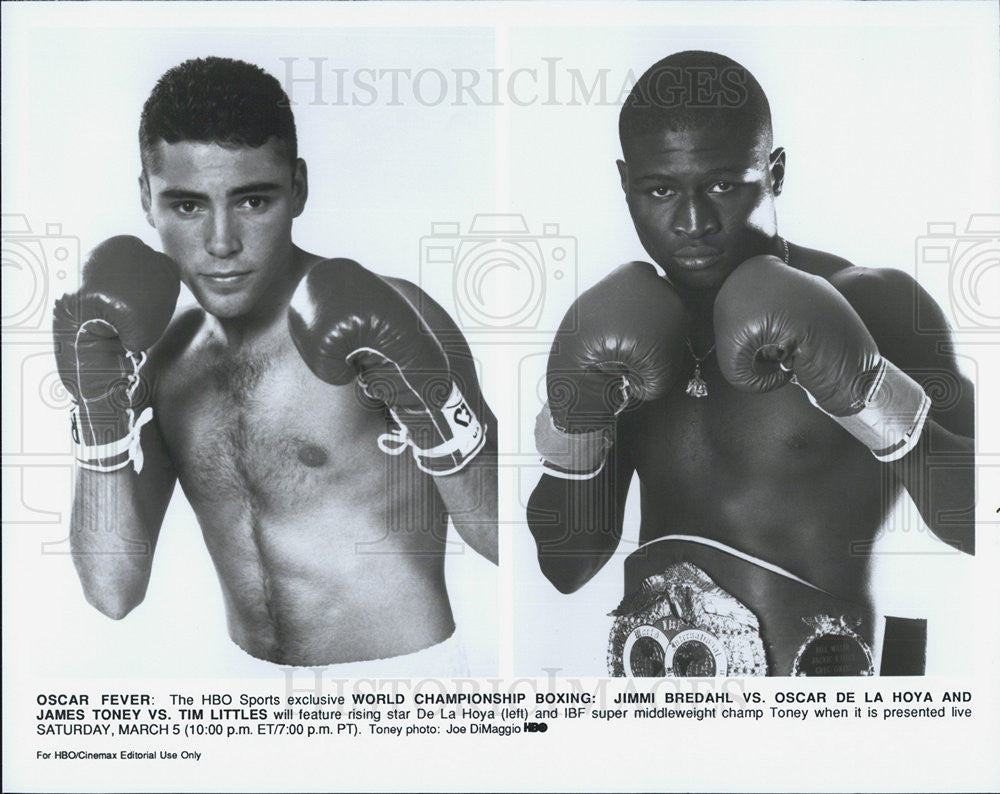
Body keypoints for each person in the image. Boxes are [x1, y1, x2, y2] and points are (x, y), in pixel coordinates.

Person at [526, 50, 974, 677]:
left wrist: (867, 391)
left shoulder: (873, 301)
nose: (692, 222)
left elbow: (979, 524)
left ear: (775, 171)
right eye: (660, 190)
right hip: (646, 723)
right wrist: (577, 422)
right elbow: (565, 565)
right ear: (625, 182)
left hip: (820, 725)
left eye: (722, 185)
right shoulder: (620, 336)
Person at [52, 56, 497, 673]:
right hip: (250, 696)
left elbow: (509, 544)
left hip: (404, 689)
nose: (221, 242)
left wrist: (436, 413)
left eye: (252, 200)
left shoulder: (395, 312)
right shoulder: (159, 359)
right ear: (146, 201)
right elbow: (112, 592)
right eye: (186, 206)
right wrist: (97, 413)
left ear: (298, 188)